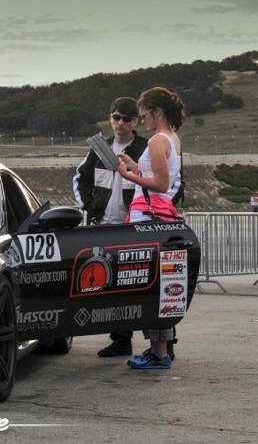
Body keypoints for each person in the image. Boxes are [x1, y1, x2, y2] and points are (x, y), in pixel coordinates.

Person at [73, 96, 147, 358]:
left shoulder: (145, 149)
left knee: (137, 286)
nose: (121, 123)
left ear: (136, 121)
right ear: (110, 119)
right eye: (116, 117)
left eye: (127, 118)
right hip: (103, 227)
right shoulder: (98, 149)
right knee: (111, 286)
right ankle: (120, 340)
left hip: (134, 228)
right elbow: (79, 179)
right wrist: (89, 206)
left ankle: (159, 344)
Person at [116, 86, 185, 370]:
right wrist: (136, 167)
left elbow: (160, 184)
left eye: (143, 115)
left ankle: (158, 352)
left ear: (155, 113)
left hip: (148, 217)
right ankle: (160, 350)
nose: (141, 120)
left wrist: (128, 176)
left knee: (151, 286)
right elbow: (162, 178)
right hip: (161, 216)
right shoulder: (172, 138)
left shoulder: (157, 140)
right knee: (161, 286)